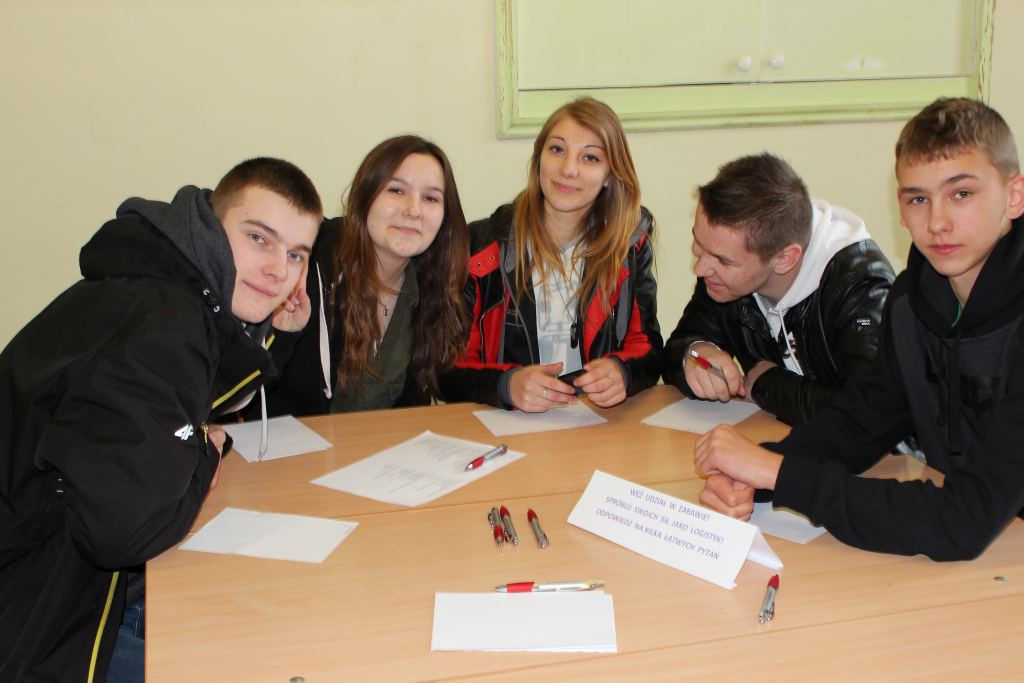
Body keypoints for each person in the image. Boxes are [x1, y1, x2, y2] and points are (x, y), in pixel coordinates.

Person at [0, 158, 322, 682]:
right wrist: (204, 454)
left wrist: (272, 340)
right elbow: (125, 534)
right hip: (41, 613)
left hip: (59, 565)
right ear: (211, 226)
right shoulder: (164, 326)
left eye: (295, 255)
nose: (277, 270)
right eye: (259, 239)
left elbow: (190, 393)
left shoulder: (163, 291)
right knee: (270, 652)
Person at [694, 97, 1024, 561]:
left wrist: (780, 474)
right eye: (918, 199)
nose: (938, 222)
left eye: (962, 193)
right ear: (900, 208)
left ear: (1014, 196)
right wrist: (755, 472)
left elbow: (963, 521)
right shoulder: (913, 301)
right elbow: (861, 423)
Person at [440, 97, 662, 411]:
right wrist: (506, 385)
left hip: (595, 422)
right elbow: (446, 371)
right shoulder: (482, 246)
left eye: (590, 158)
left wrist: (622, 372)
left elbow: (649, 352)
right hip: (506, 425)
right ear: (538, 158)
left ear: (610, 176)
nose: (568, 169)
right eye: (557, 149)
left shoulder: (628, 246)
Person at [662, 153, 895, 426]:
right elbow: (679, 345)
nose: (700, 268)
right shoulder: (721, 271)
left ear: (784, 258)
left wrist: (768, 385)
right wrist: (695, 353)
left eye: (723, 261)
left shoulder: (861, 290)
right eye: (698, 244)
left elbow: (871, 415)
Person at [255, 135, 469, 416]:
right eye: (396, 190)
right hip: (288, 441)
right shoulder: (307, 264)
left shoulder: (431, 287)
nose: (413, 211)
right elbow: (249, 386)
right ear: (365, 196)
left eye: (430, 198)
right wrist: (282, 336)